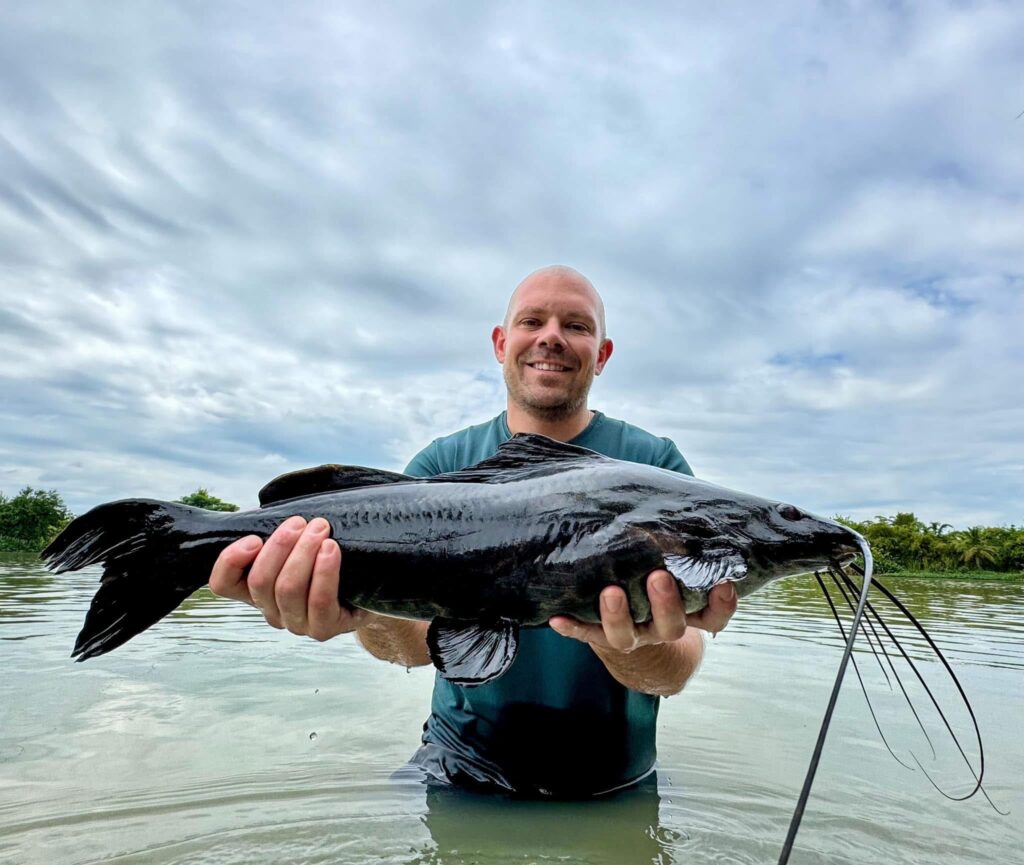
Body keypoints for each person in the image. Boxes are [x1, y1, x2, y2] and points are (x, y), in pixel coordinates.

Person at [209, 265, 738, 796]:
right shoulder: (441, 464)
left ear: (601, 354)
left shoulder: (656, 465)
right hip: (459, 770)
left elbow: (673, 671)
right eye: (533, 320)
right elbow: (412, 649)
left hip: (611, 780)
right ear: (501, 342)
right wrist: (363, 608)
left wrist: (626, 641)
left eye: (576, 326)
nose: (551, 336)